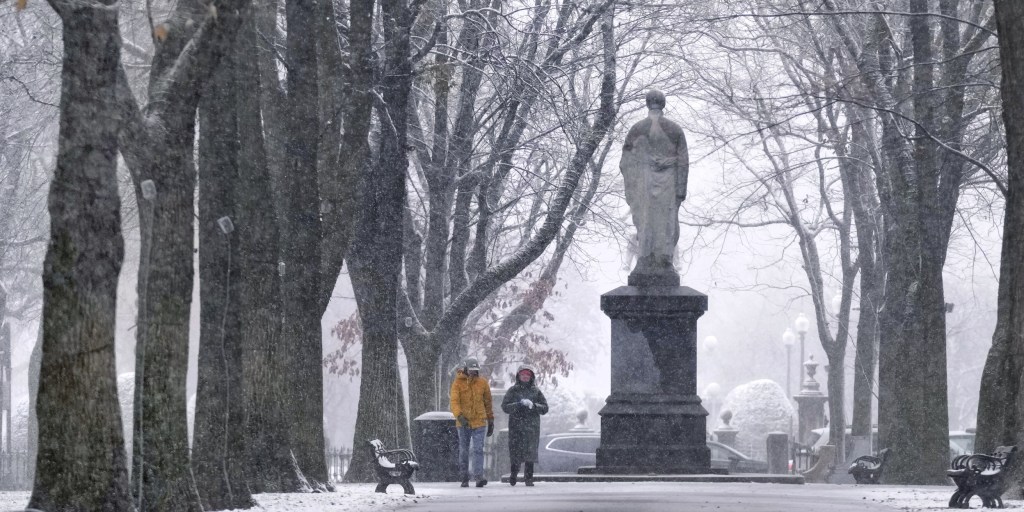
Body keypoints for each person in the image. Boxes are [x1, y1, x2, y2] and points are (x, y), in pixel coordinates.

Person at [619, 89, 689, 284]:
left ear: (647, 103)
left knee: (647, 221)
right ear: (663, 104)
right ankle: (662, 259)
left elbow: (626, 162)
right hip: (664, 186)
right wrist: (680, 190)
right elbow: (683, 161)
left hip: (646, 185)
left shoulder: (638, 129)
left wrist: (642, 170)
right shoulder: (674, 130)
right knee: (665, 223)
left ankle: (648, 257)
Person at [449, 357, 494, 487]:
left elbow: (488, 403)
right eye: (471, 370)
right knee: (464, 450)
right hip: (463, 423)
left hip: (479, 421)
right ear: (466, 369)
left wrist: (490, 420)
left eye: (475, 370)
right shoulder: (457, 383)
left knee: (478, 449)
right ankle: (464, 477)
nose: (473, 372)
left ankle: (478, 477)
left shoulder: (483, 383)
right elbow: (454, 402)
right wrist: (459, 416)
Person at [501, 365, 548, 486]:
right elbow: (505, 407)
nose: (525, 377)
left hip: (532, 428)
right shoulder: (512, 390)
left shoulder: (536, 391)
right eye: (523, 375)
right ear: (519, 376)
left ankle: (529, 478)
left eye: (528, 375)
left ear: (531, 377)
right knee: (515, 453)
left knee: (530, 454)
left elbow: (545, 408)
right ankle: (514, 475)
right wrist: (518, 404)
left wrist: (534, 405)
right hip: (516, 428)